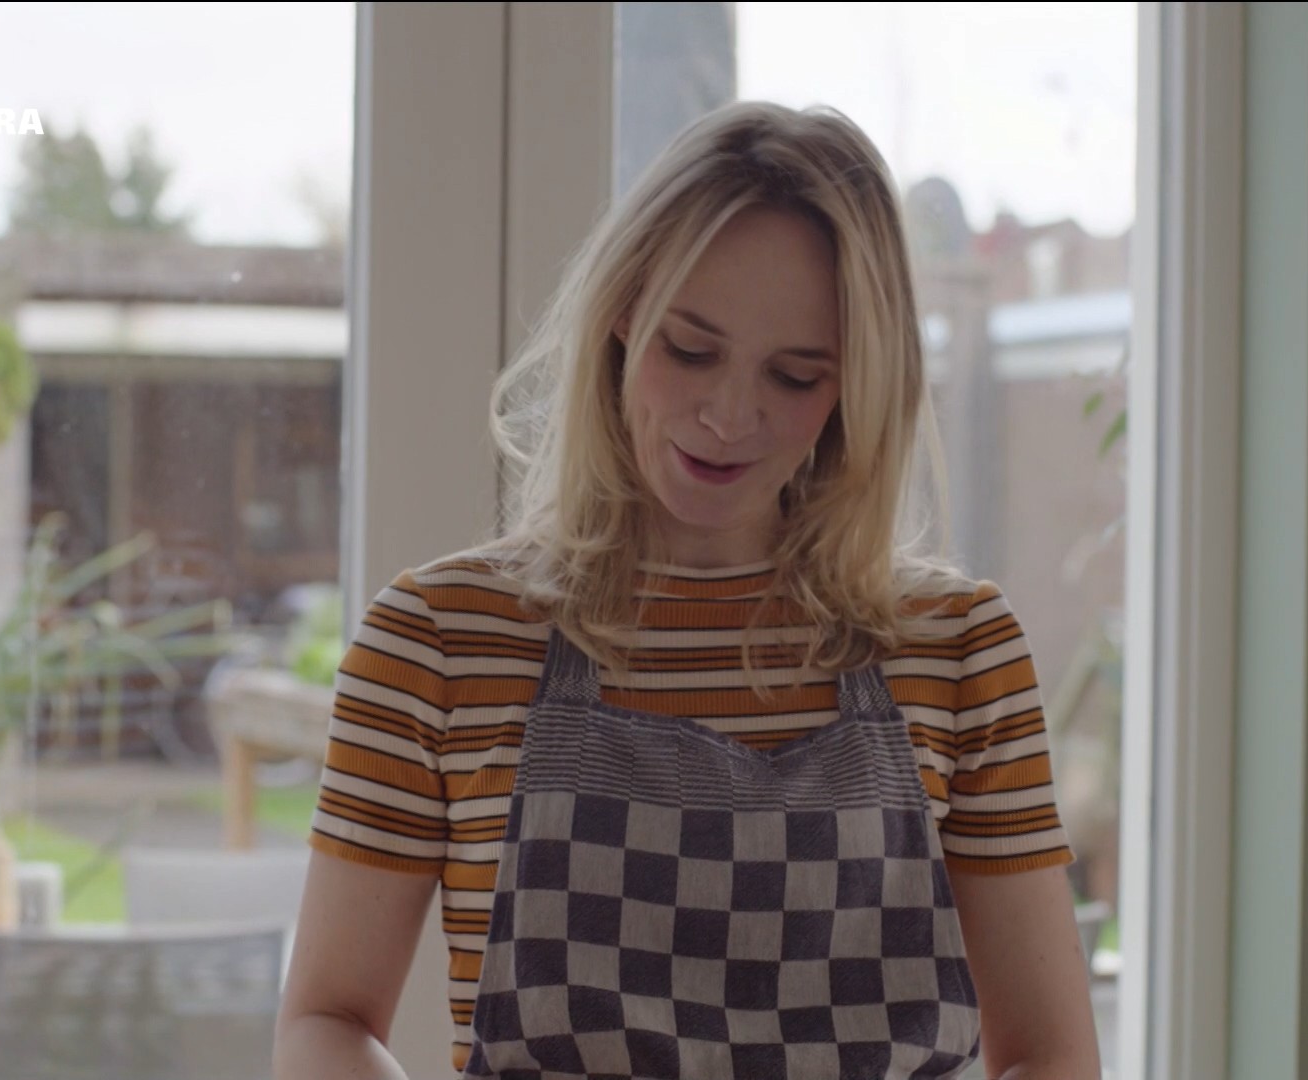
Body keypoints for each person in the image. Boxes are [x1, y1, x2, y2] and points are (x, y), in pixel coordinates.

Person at [274, 100, 1101, 1080]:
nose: (729, 415)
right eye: (691, 349)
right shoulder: (438, 644)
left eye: (795, 376)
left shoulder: (959, 652)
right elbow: (325, 1018)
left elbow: (1050, 1056)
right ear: (623, 315)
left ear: (857, 387)